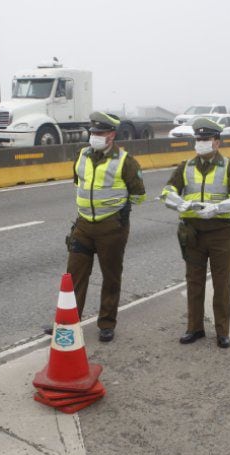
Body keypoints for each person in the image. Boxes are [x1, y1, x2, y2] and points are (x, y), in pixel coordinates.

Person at [47, 111, 146, 342]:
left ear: (111, 134)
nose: (95, 136)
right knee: (73, 277)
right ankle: (67, 323)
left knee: (110, 277)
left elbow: (139, 195)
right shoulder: (82, 155)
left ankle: (107, 324)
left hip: (111, 228)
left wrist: (118, 210)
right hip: (83, 226)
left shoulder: (125, 161)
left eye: (100, 132)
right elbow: (77, 183)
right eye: (92, 132)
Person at [159, 117, 230, 349]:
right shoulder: (185, 166)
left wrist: (218, 208)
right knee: (194, 282)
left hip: (219, 232)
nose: (201, 143)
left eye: (206, 139)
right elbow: (167, 190)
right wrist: (177, 202)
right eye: (198, 139)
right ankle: (195, 327)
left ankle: (222, 331)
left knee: (221, 284)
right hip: (192, 232)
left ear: (217, 142)